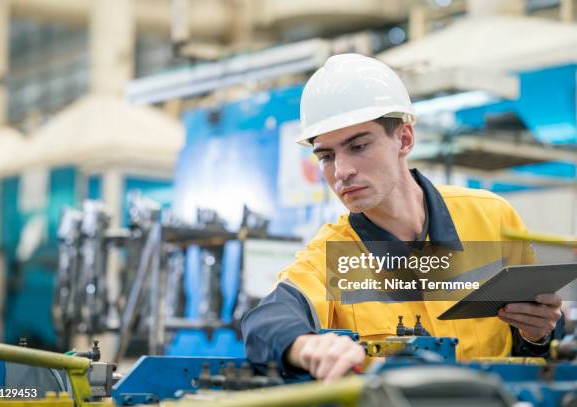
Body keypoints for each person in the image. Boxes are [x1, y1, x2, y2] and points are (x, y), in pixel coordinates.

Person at [240, 53, 564, 382]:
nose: (341, 171)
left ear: (404, 139)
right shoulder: (331, 257)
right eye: (326, 155)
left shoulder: (492, 218)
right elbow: (267, 321)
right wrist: (306, 345)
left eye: (358, 146)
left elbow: (539, 335)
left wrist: (538, 333)